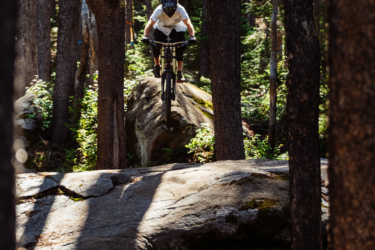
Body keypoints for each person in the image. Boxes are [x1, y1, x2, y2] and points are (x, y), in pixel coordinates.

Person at [141, 0, 196, 80]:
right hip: (161, 28)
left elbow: (188, 22)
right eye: (167, 9)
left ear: (175, 7)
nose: (169, 12)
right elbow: (150, 23)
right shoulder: (159, 9)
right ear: (163, 7)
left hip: (177, 28)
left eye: (171, 9)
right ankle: (157, 66)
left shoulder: (180, 9)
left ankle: (180, 72)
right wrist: (145, 36)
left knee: (179, 48)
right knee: (155, 45)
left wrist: (192, 36)